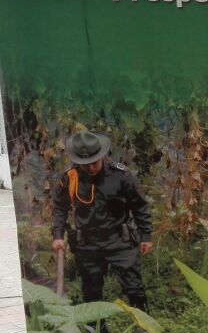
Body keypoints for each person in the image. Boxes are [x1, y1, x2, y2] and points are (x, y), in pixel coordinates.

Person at [51, 131, 153, 318]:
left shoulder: (121, 175)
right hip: (87, 244)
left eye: (94, 162)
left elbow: (139, 206)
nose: (90, 168)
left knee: (134, 287)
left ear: (103, 156)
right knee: (91, 291)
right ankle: (96, 329)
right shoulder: (71, 178)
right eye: (86, 164)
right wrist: (58, 235)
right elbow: (60, 208)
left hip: (119, 241)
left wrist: (146, 236)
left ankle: (145, 325)